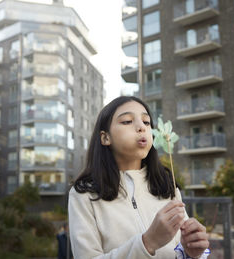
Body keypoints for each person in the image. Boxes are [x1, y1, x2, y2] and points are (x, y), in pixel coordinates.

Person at [68, 96, 209, 258]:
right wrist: (148, 242)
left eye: (146, 122)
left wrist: (192, 253)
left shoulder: (167, 187)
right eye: (127, 121)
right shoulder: (84, 194)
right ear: (105, 137)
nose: (141, 127)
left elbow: (181, 251)